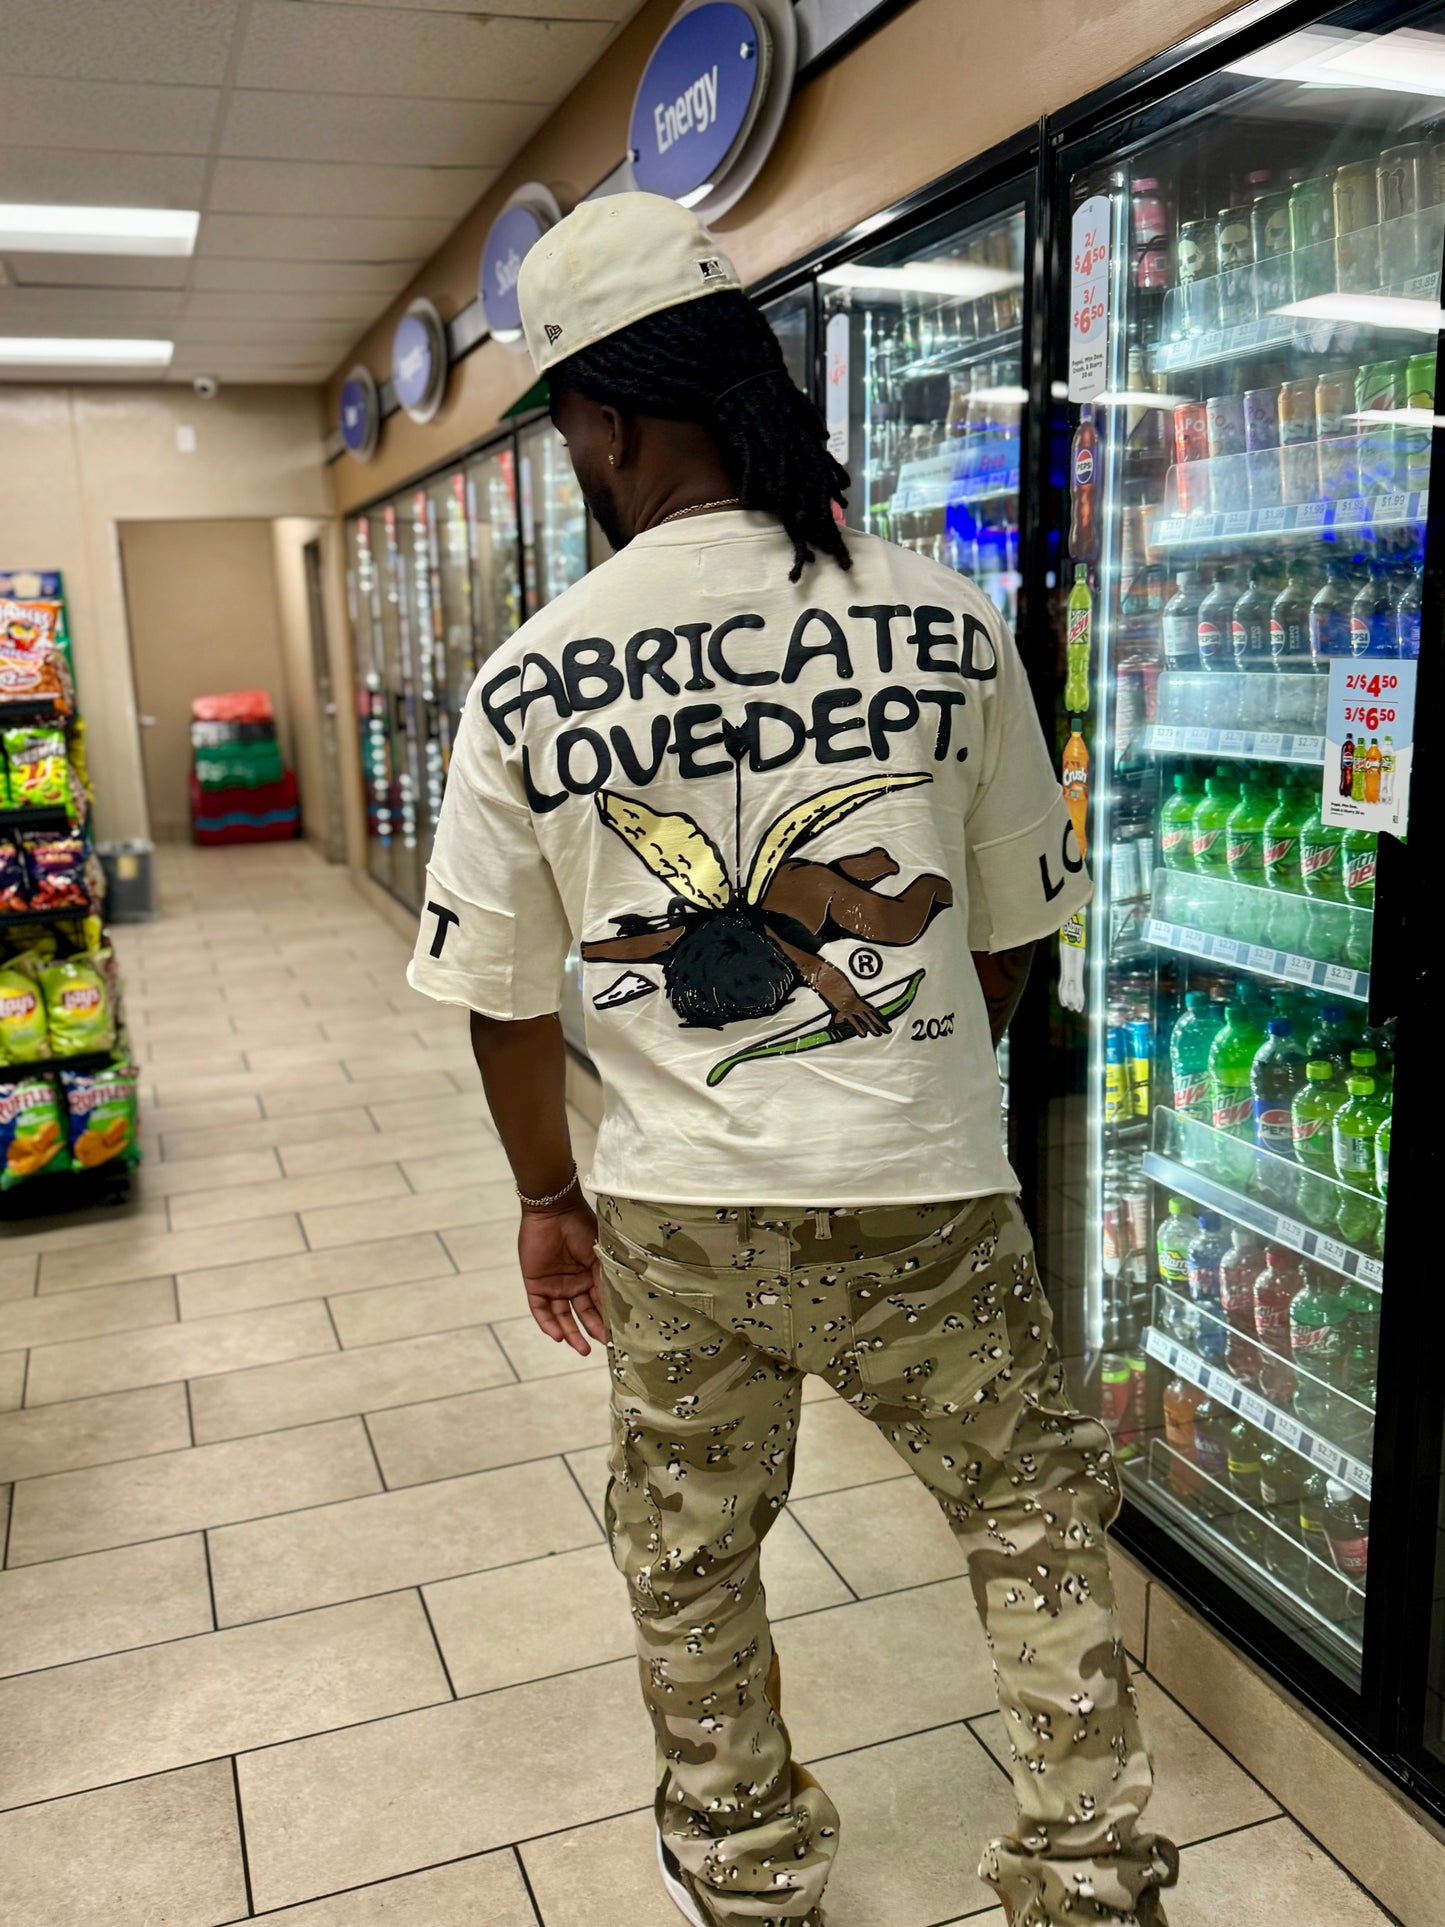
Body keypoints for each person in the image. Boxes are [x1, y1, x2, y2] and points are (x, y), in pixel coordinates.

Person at [407, 193, 1176, 1927]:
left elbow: (504, 998)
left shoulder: (529, 680)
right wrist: (911, 1072)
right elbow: (1003, 928)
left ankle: (750, 1875)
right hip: (930, 1199)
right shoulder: (945, 619)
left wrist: (545, 1197)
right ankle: (1087, 1879)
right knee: (1029, 1518)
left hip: (680, 1213)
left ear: (607, 423)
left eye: (572, 427)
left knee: (687, 1552)